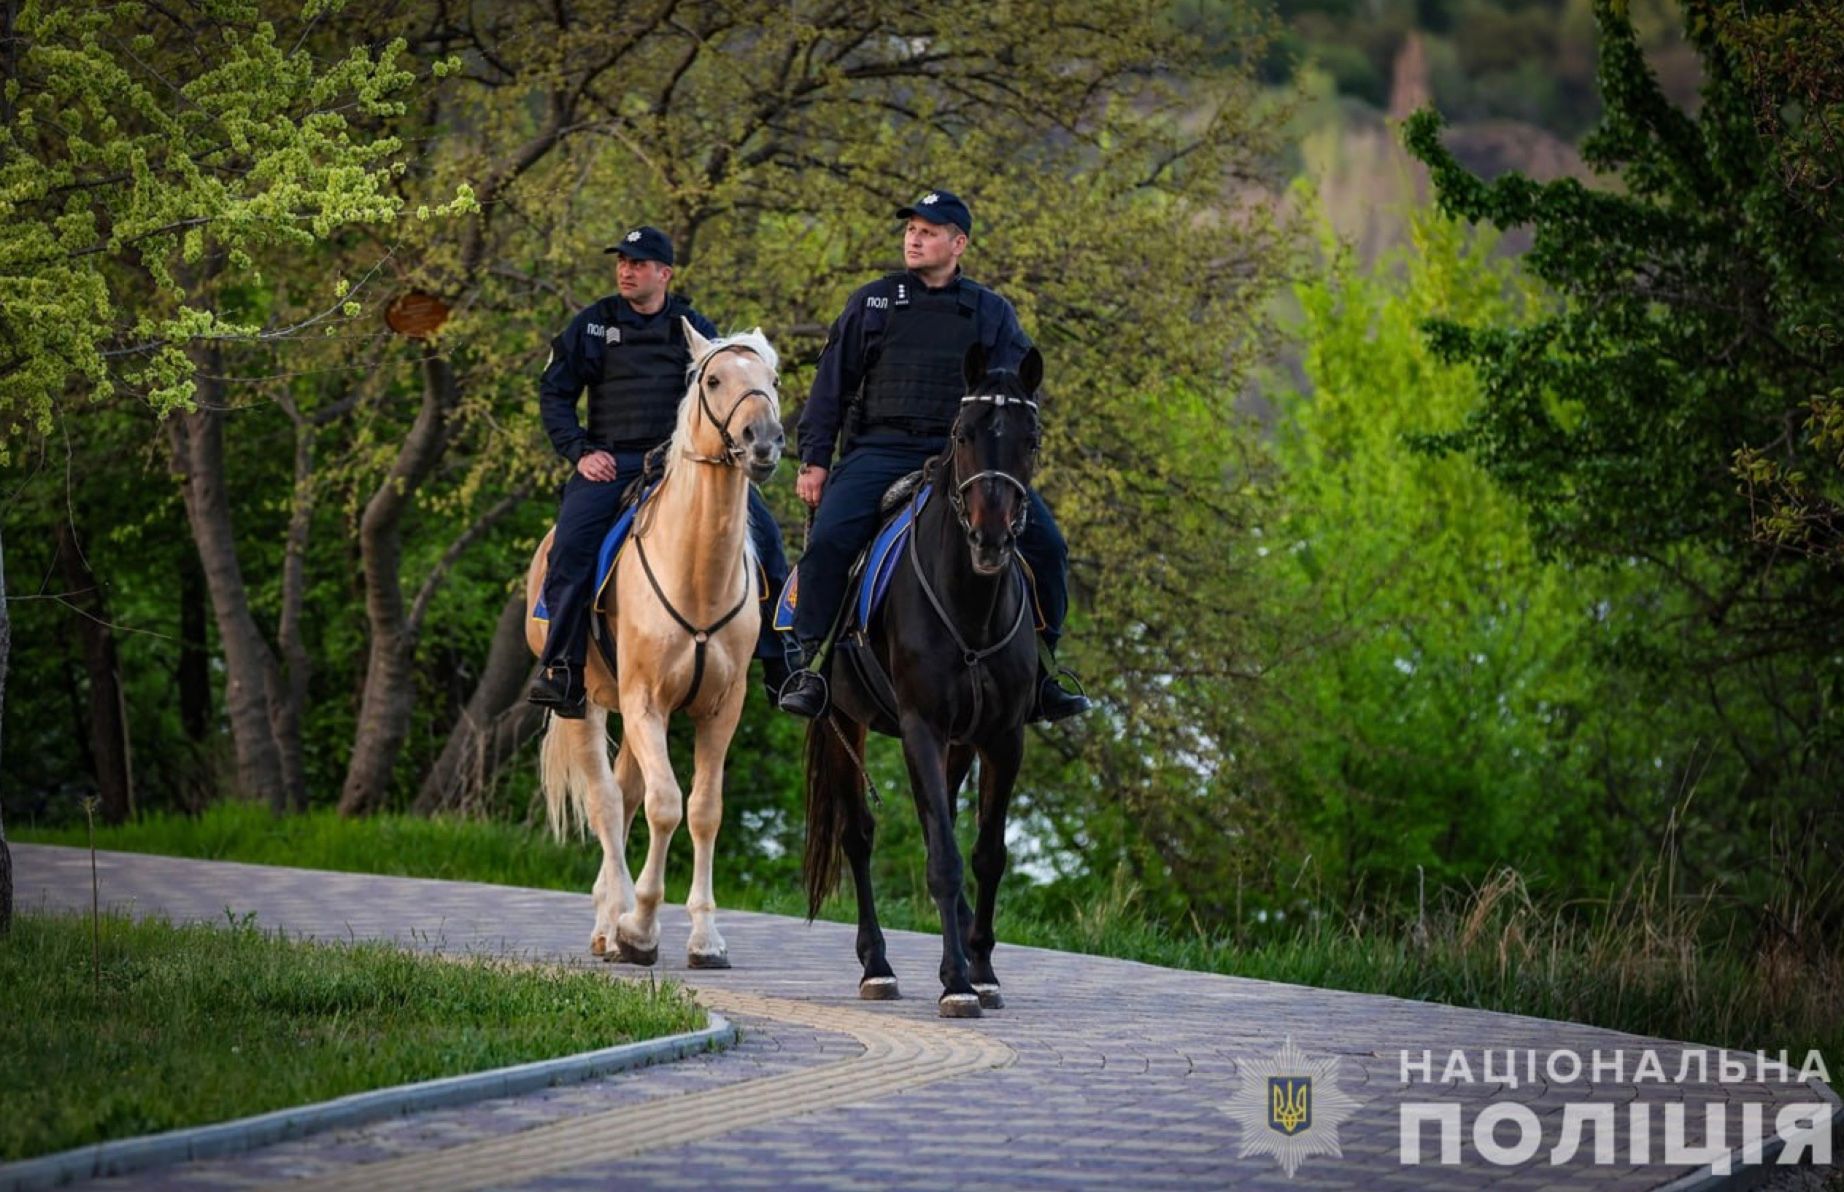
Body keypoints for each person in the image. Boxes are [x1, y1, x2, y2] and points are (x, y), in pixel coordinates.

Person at [776, 189, 1090, 723]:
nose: (914, 239)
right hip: (879, 448)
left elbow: (1019, 392)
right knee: (829, 540)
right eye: (910, 230)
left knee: (1050, 548)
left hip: (961, 457)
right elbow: (831, 386)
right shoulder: (872, 302)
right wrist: (814, 460)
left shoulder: (991, 312)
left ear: (958, 243)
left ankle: (1043, 668)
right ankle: (810, 662)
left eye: (927, 231)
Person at [529, 225, 793, 718]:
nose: (626, 271)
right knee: (569, 546)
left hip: (686, 464)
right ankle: (561, 667)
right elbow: (555, 393)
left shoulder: (693, 325)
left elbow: (728, 391)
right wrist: (579, 451)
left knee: (770, 543)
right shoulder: (593, 324)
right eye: (622, 262)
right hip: (611, 461)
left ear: (664, 273)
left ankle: (783, 662)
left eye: (638, 263)